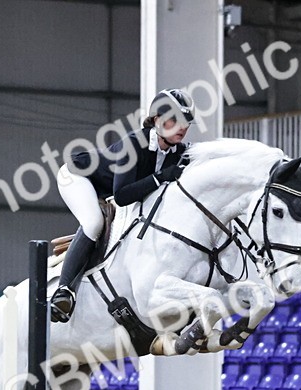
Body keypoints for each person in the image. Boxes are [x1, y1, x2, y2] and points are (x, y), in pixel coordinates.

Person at [48, 89, 195, 323]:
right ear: (156, 119)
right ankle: (64, 291)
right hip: (77, 177)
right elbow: (123, 195)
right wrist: (161, 177)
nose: (182, 127)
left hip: (107, 188)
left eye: (187, 122)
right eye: (174, 120)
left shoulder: (178, 151)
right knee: (94, 222)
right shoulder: (133, 144)